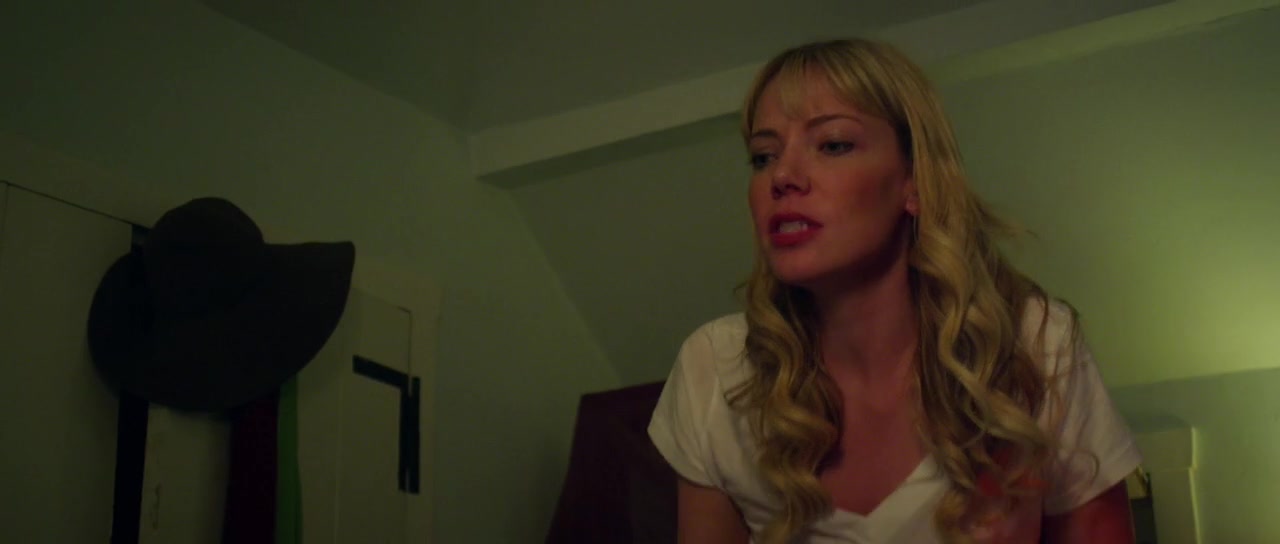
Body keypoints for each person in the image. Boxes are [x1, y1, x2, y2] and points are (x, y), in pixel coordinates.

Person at [647, 38, 1142, 544]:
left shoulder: (1034, 344)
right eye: (762, 156)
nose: (783, 176)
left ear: (914, 182)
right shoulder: (716, 370)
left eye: (833, 145)